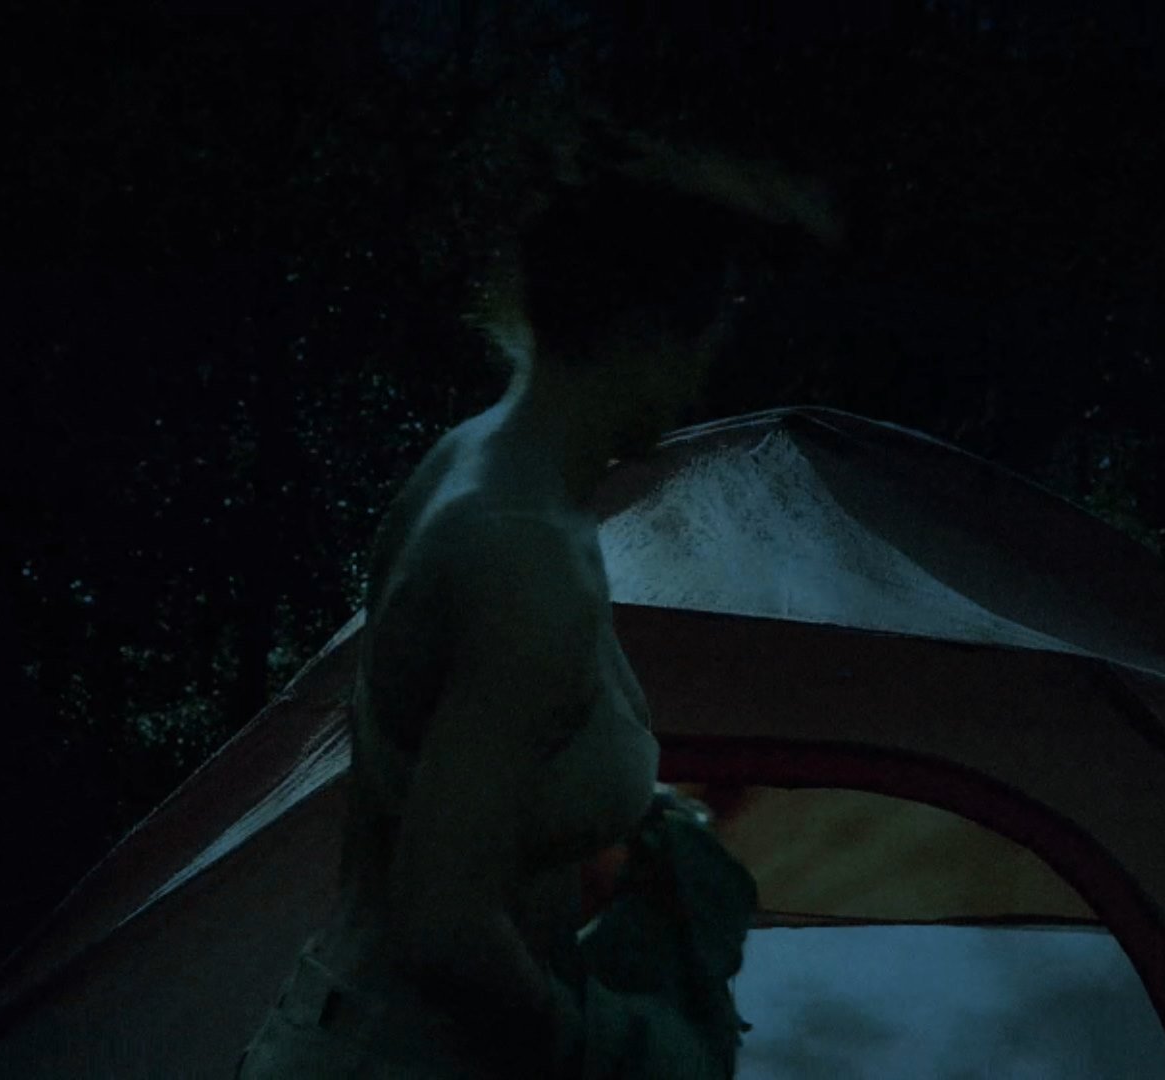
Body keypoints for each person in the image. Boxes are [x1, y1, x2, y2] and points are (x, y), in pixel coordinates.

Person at [235, 119, 834, 1078]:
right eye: (704, 337)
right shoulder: (523, 555)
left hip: (356, 1029)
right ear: (645, 333)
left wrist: (653, 821)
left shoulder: (480, 465)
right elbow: (443, 922)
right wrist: (618, 1051)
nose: (703, 376)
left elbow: (477, 774)